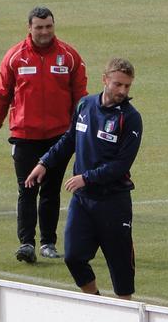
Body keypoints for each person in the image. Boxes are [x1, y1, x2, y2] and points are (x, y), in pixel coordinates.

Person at [24, 58, 141, 299]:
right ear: (105, 79)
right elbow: (69, 140)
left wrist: (86, 178)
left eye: (127, 86)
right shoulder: (85, 105)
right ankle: (95, 302)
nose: (122, 91)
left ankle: (126, 314)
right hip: (83, 200)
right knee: (73, 257)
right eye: (118, 84)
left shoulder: (130, 118)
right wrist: (44, 162)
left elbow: (121, 165)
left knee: (120, 266)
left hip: (113, 202)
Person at [0, 6, 87, 263]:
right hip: (24, 135)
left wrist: (82, 133)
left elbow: (81, 99)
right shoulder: (15, 57)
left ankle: (48, 243)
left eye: (48, 26)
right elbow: (1, 95)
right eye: (39, 27)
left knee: (51, 190)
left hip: (59, 136)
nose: (44, 32)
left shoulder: (69, 56)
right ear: (29, 28)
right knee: (27, 189)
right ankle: (26, 243)